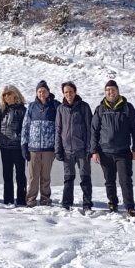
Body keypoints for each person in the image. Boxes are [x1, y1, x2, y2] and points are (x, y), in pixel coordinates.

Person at [89, 80, 135, 216]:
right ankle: (112, 203)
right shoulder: (100, 109)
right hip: (105, 152)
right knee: (109, 181)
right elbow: (94, 131)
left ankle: (129, 206)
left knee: (125, 180)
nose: (110, 92)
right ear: (105, 92)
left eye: (113, 90)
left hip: (123, 151)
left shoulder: (127, 107)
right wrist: (94, 151)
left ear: (118, 91)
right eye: (108, 90)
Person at [54, 81, 93, 212]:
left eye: (70, 91)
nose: (68, 94)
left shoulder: (84, 107)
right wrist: (58, 149)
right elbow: (58, 130)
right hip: (67, 151)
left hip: (82, 150)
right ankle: (66, 203)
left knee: (85, 177)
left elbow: (89, 129)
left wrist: (89, 148)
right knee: (68, 178)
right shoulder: (60, 109)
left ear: (75, 92)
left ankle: (87, 204)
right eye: (66, 92)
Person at [21, 80, 58, 207]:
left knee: (46, 176)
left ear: (48, 92)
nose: (42, 93)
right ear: (37, 93)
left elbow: (59, 127)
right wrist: (24, 145)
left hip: (49, 148)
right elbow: (25, 126)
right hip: (33, 148)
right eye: (39, 91)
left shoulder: (55, 105)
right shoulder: (31, 107)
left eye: (44, 91)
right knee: (33, 177)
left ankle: (45, 199)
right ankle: (31, 199)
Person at [0, 85, 28, 205]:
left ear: (15, 94)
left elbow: (25, 129)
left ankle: (21, 199)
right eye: (4, 94)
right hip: (4, 147)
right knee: (7, 174)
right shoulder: (2, 110)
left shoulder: (22, 110)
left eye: (9, 93)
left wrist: (19, 139)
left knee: (20, 175)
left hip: (18, 147)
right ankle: (8, 199)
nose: (6, 96)